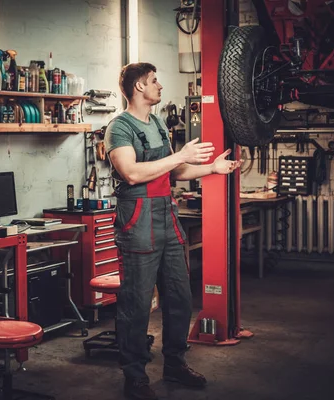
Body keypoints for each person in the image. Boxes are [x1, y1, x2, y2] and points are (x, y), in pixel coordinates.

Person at [104, 62, 242, 400]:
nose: (160, 86)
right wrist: (179, 154)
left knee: (180, 298)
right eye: (154, 80)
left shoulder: (157, 124)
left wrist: (211, 168)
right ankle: (134, 375)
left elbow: (173, 172)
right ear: (138, 86)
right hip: (138, 221)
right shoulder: (118, 128)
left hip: (167, 217)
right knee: (136, 304)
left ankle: (175, 365)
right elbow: (132, 173)